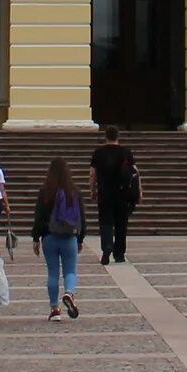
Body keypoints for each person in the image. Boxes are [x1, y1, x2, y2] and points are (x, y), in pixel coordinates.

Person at [31, 157, 86, 319]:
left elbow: (39, 216)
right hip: (69, 237)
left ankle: (54, 309)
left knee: (53, 273)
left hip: (49, 236)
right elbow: (81, 217)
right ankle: (69, 293)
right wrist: (80, 238)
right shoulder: (73, 192)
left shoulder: (45, 191)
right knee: (70, 271)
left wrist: (36, 237)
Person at [89, 126, 139, 265]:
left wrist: (92, 190)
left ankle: (107, 248)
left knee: (105, 222)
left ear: (106, 136)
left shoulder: (98, 153)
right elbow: (135, 173)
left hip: (105, 193)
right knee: (121, 223)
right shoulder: (125, 152)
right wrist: (139, 191)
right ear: (118, 136)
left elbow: (92, 174)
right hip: (123, 193)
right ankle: (119, 254)